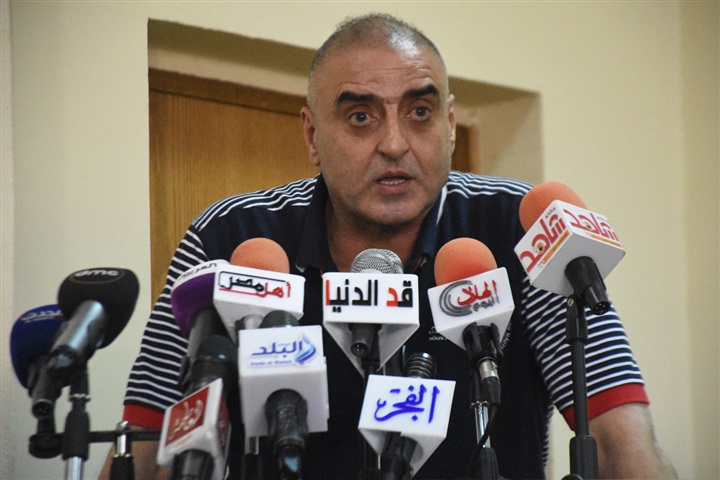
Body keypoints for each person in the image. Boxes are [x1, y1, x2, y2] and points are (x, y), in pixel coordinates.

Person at [100, 13, 676, 480]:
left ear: (450, 125)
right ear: (312, 136)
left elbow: (621, 443)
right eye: (360, 116)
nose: (395, 143)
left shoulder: (523, 230)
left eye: (420, 112)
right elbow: (149, 451)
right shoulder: (230, 238)